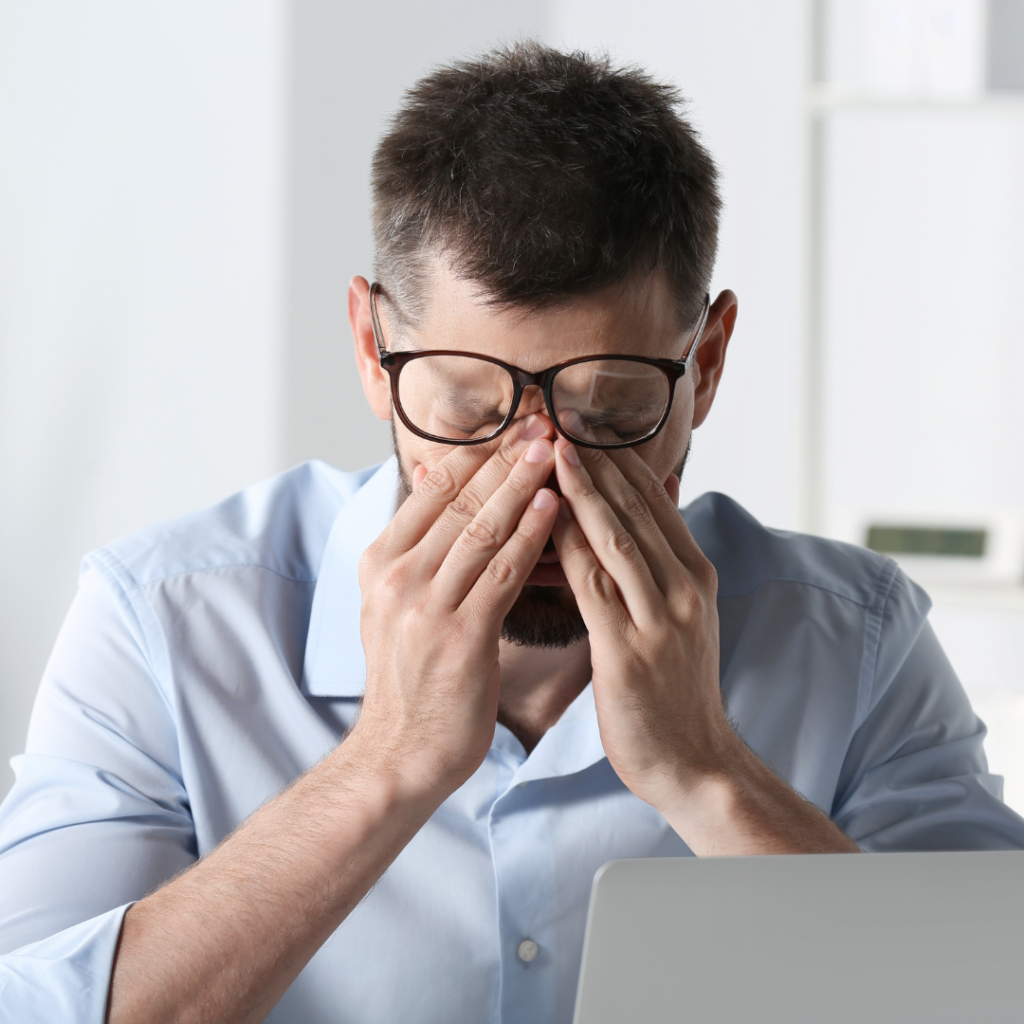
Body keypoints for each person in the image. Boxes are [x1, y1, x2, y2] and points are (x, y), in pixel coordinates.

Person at [1, 41, 1021, 1024]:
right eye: (466, 406)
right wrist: (387, 762)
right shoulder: (161, 623)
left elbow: (990, 995)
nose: (538, 478)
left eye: (612, 411)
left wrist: (708, 772)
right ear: (372, 347)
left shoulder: (858, 640)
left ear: (705, 366)